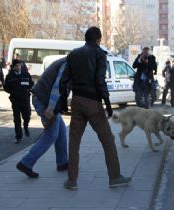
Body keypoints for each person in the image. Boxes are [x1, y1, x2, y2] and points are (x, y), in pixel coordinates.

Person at [60, 26, 131, 190]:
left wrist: (64, 102)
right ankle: (115, 177)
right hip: (93, 103)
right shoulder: (99, 54)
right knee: (108, 140)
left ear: (86, 39)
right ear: (98, 39)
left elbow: (64, 81)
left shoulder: (73, 54)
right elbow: (100, 80)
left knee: (74, 142)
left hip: (76, 101)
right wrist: (107, 103)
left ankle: (71, 180)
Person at [15, 58, 69, 178]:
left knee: (61, 131)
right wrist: (50, 109)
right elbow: (57, 87)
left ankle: (62, 162)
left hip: (46, 100)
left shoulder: (69, 62)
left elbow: (64, 89)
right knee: (51, 134)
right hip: (44, 101)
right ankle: (26, 163)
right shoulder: (68, 65)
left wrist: (61, 106)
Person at [4, 59, 33, 144]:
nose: (18, 67)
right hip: (15, 100)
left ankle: (26, 126)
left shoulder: (26, 74)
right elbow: (6, 87)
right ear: (13, 67)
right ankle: (18, 137)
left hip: (25, 99)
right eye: (16, 66)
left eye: (19, 65)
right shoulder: (9, 76)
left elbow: (31, 84)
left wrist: (29, 90)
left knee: (27, 116)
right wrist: (13, 92)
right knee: (17, 119)